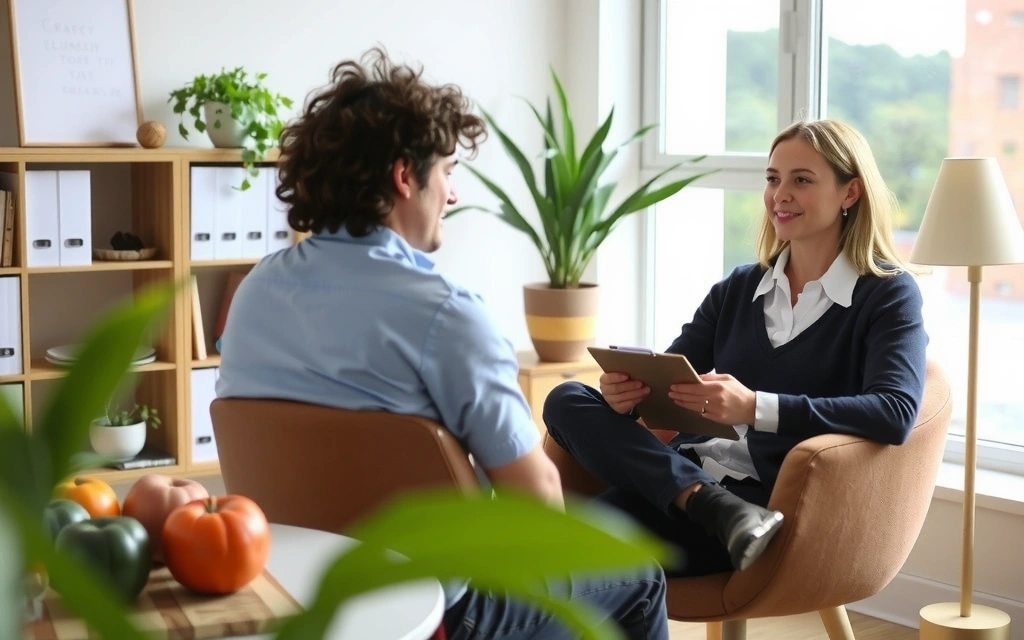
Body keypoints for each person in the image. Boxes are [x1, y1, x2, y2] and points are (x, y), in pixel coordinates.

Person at [215, 47, 669, 640]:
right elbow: (537, 501)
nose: (451, 195)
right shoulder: (445, 312)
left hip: (303, 590)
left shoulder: (255, 290)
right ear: (406, 176)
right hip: (446, 610)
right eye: (448, 171)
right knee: (639, 576)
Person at [543, 119, 928, 576]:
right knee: (567, 399)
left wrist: (754, 407)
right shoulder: (739, 286)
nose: (779, 195)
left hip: (768, 506)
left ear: (850, 193)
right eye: (772, 179)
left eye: (801, 180)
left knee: (585, 566)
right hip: (682, 484)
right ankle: (710, 503)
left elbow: (895, 410)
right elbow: (669, 384)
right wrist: (625, 398)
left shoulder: (887, 293)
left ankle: (722, 510)